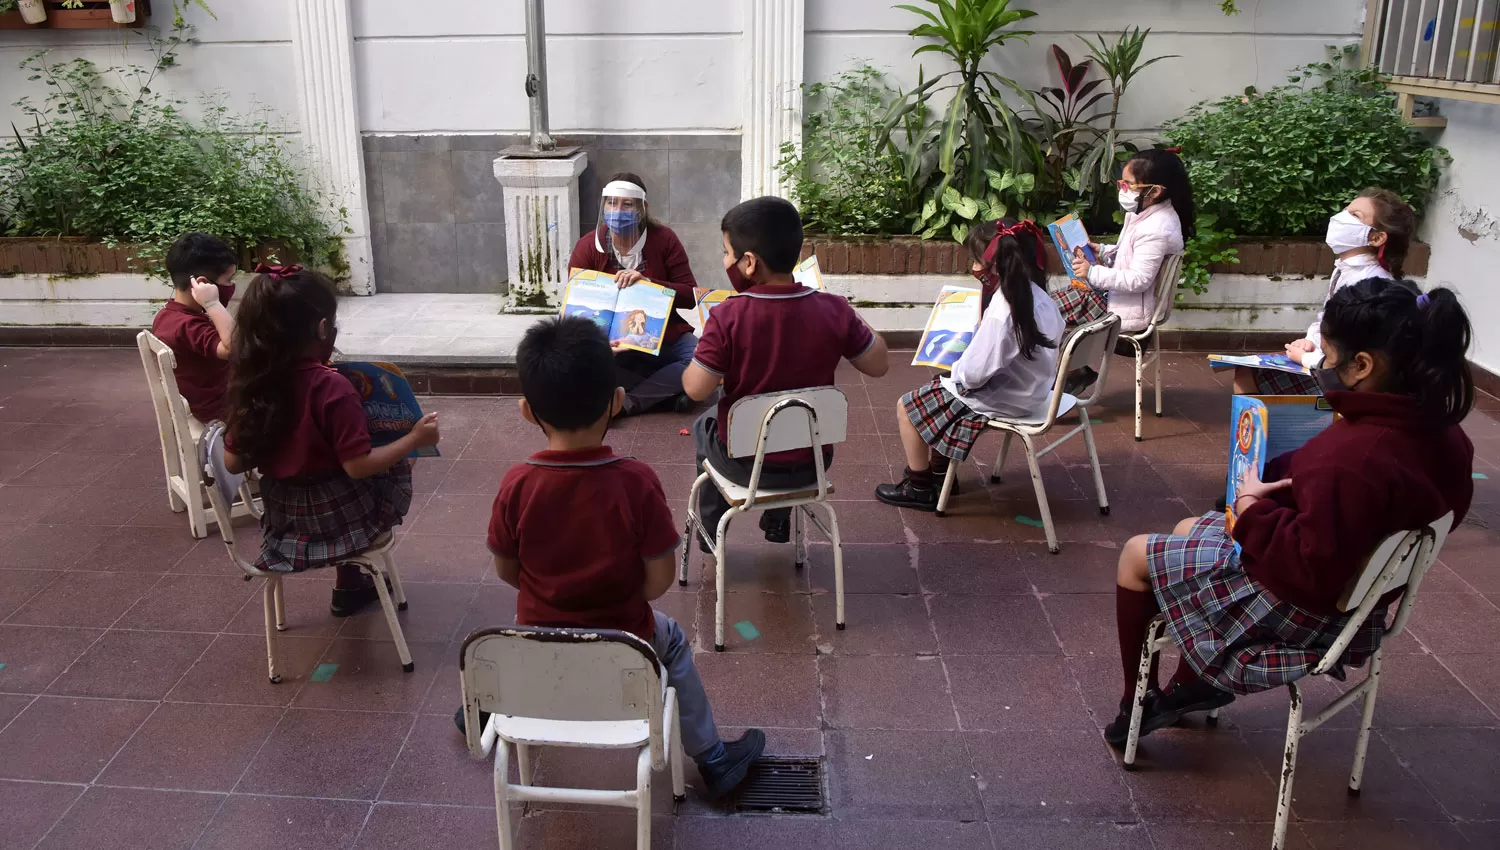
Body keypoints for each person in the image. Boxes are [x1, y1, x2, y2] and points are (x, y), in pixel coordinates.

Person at [1104, 277, 1475, 749]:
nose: (1321, 365)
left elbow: (1309, 565)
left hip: (1307, 610)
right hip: (1365, 603)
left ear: (1362, 365)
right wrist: (1285, 491)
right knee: (1184, 529)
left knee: (1136, 555)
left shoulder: (1354, 452)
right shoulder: (1444, 434)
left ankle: (1135, 701)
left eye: (1327, 356)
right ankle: (1190, 687)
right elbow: (1356, 505)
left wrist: (1252, 508)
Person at [470, 315, 765, 798]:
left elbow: (509, 571)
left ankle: (488, 703)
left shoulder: (515, 485)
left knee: (514, 631)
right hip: (627, 643)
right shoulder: (635, 480)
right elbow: (657, 582)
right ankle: (713, 759)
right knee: (672, 641)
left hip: (538, 644)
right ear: (617, 402)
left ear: (527, 411)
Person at [222, 266, 440, 617]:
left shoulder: (251, 382)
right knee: (401, 459)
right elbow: (357, 467)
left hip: (284, 520)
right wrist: (415, 437)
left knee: (354, 462)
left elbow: (232, 463)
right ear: (323, 328)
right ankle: (350, 579)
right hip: (340, 520)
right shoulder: (332, 387)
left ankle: (350, 585)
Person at [681, 196, 890, 548]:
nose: (725, 260)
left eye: (726, 252)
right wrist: (845, 313)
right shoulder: (833, 310)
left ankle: (712, 532)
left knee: (706, 424)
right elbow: (879, 364)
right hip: (814, 463)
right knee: (789, 414)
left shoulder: (728, 317)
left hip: (744, 465)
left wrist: (707, 342)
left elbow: (695, 389)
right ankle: (779, 516)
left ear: (749, 263)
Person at [875, 219, 1064, 511]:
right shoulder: (1037, 295)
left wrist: (958, 364)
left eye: (976, 261)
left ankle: (920, 485)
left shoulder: (1005, 309)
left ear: (994, 265)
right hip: (1035, 391)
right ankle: (941, 474)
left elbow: (974, 375)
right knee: (940, 387)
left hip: (1008, 399)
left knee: (908, 407)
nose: (974, 268)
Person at [1232, 188, 1414, 395]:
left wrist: (1308, 359)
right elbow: (1327, 320)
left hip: (1350, 380)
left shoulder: (1371, 284)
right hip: (1329, 362)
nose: (1341, 218)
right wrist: (1311, 340)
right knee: (1246, 372)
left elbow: (1356, 357)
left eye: (1355, 215)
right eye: (1346, 210)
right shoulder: (1346, 269)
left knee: (1247, 376)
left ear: (1376, 238)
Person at [1056, 149, 1193, 391]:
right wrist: (1102, 251)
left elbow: (1138, 279)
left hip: (1123, 309)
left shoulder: (1155, 228)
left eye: (1128, 185)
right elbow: (1130, 254)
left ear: (1155, 191)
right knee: (1049, 307)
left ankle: (1063, 377)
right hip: (1118, 298)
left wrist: (1091, 272)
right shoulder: (1144, 214)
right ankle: (1074, 373)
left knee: (1044, 311)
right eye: (1121, 183)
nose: (1122, 190)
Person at [568, 172, 700, 416]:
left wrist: (649, 283)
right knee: (578, 363)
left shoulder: (664, 240)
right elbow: (576, 303)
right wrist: (599, 341)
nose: (617, 211)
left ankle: (627, 403)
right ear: (603, 206)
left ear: (642, 208)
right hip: (610, 342)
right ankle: (666, 396)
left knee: (698, 360)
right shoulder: (588, 246)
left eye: (627, 204)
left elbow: (690, 296)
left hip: (663, 334)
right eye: (611, 202)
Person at [150, 232, 240, 423]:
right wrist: (213, 304)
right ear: (203, 284)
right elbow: (235, 347)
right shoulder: (188, 326)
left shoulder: (167, 315)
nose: (231, 286)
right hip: (216, 412)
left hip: (204, 402)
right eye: (229, 279)